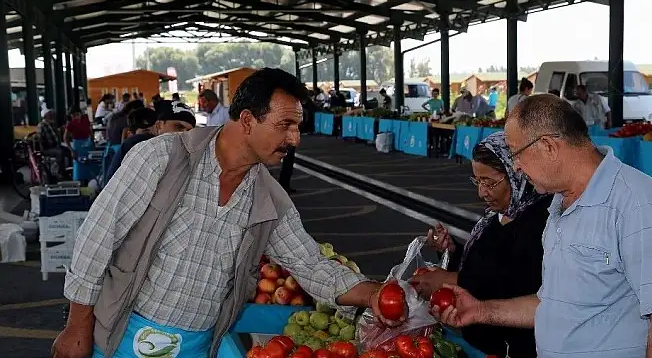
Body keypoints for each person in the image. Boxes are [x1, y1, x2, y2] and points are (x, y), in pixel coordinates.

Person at [54, 68, 407, 358]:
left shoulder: (271, 200)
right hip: (121, 337)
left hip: (198, 345)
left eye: (298, 127)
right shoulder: (162, 158)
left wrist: (373, 294)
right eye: (286, 125)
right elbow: (97, 238)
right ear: (249, 120)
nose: (295, 139)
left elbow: (313, 266)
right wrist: (76, 326)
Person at [433, 94, 652, 358]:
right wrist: (481, 311)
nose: (517, 167)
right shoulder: (559, 205)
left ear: (548, 146)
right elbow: (551, 305)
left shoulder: (639, 205)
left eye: (516, 154)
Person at [412, 132, 551, 357]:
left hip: (516, 347)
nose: (481, 192)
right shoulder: (497, 214)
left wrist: (450, 279)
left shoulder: (542, 220)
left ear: (517, 173)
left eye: (489, 182)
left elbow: (521, 284)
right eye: (477, 181)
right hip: (479, 338)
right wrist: (452, 251)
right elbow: (484, 265)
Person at [104, 103, 197, 184]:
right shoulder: (138, 144)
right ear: (159, 126)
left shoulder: (189, 153)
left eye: (189, 131)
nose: (184, 133)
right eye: (178, 127)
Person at [38, 108, 70, 179]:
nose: (52, 116)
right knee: (60, 152)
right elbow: (40, 138)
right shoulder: (41, 125)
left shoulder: (52, 125)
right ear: (46, 116)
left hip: (55, 146)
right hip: (47, 148)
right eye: (50, 115)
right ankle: (62, 173)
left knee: (69, 150)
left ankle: (68, 170)